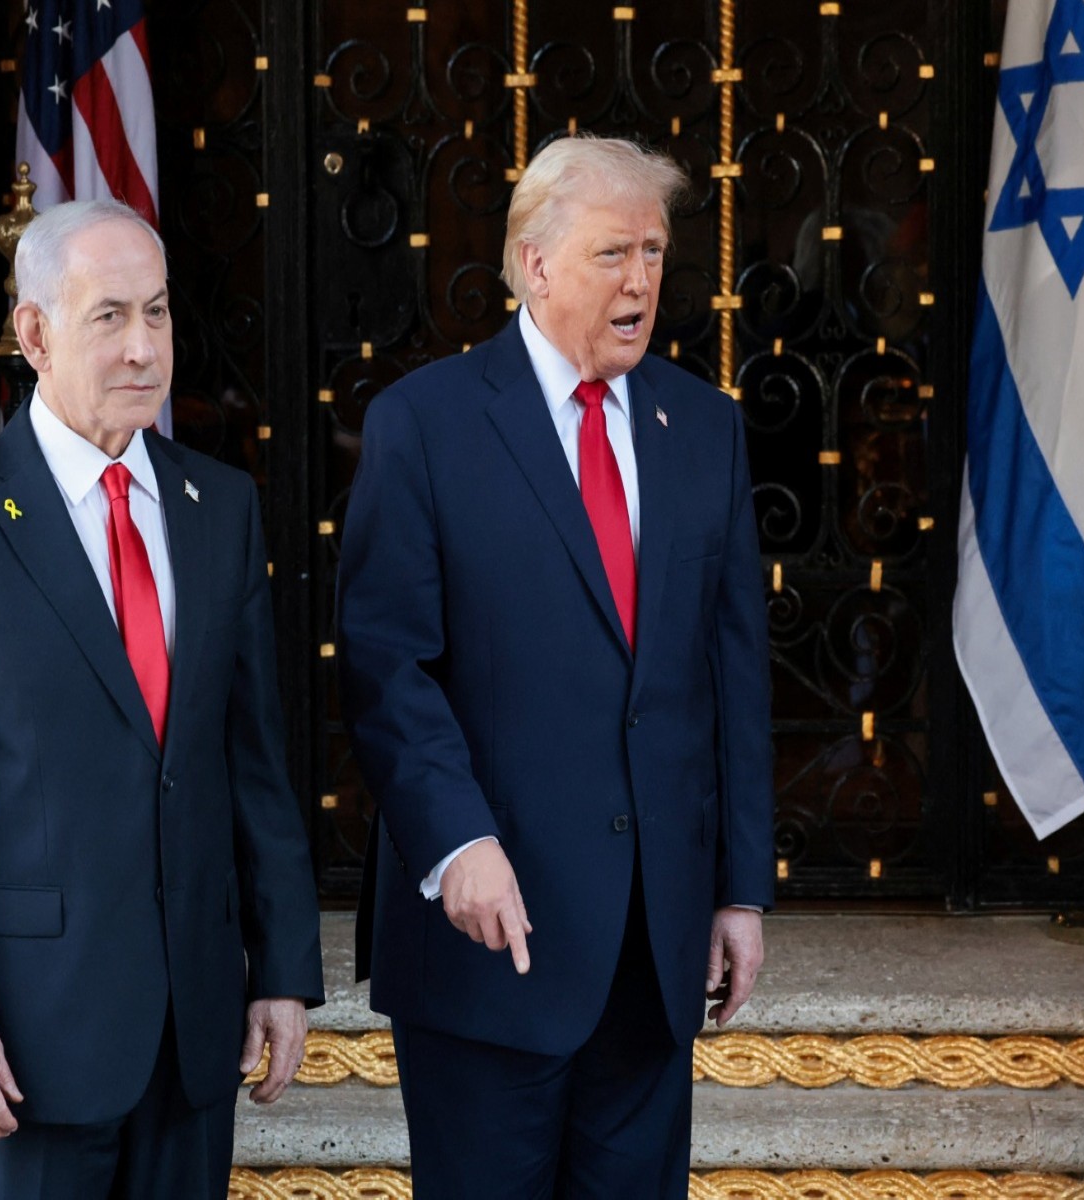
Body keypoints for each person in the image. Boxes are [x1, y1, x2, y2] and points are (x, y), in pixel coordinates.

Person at [337, 135, 774, 1196]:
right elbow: (389, 667)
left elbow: (732, 675)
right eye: (612, 253)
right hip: (491, 942)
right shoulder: (424, 425)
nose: (641, 282)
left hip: (651, 951)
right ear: (534, 264)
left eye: (654, 253)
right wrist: (458, 840)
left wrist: (740, 892)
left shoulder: (702, 428)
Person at [0, 198, 324, 1200]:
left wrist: (284, 967)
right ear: (35, 334)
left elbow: (253, 762)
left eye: (156, 312)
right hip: (24, 1047)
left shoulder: (220, 507)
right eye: (109, 316)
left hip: (193, 1032)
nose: (143, 348)